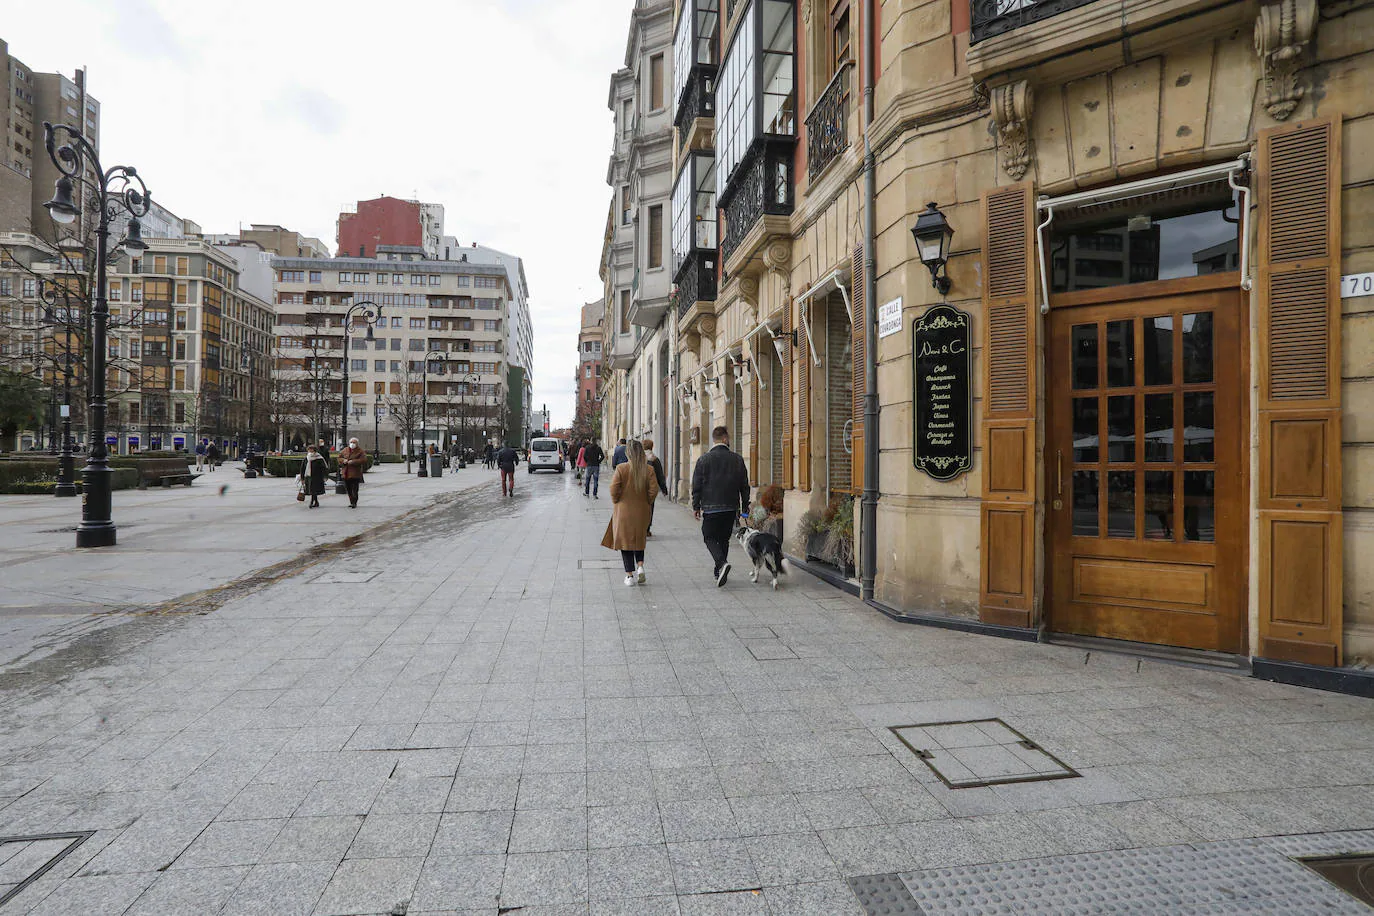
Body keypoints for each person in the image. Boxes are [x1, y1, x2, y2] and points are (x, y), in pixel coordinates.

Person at [691, 425, 751, 587]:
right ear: (724, 438)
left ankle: (721, 563)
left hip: (711, 508)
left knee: (709, 536)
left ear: (714, 439)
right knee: (724, 538)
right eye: (728, 438)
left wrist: (696, 506)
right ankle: (719, 570)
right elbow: (744, 485)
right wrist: (745, 506)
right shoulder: (737, 459)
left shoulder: (703, 460)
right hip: (731, 507)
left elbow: (696, 485)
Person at [602, 438, 659, 586]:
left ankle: (629, 575)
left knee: (625, 542)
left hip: (624, 510)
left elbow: (613, 488)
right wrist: (646, 501)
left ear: (628, 453)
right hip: (642, 510)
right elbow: (654, 490)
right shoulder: (649, 469)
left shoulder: (622, 468)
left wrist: (616, 501)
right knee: (639, 538)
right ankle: (640, 566)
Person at [643, 437, 667, 537]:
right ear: (652, 447)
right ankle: (647, 529)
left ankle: (639, 527)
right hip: (650, 488)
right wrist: (664, 489)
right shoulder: (654, 459)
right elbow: (660, 475)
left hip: (639, 487)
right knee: (649, 508)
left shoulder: (638, 458)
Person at [338, 437, 367, 509]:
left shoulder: (360, 451)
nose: (352, 444)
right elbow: (339, 457)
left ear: (357, 443)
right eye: (351, 442)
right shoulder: (345, 450)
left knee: (354, 488)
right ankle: (351, 501)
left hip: (355, 473)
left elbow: (363, 459)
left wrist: (353, 461)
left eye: (354, 442)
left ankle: (354, 502)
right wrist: (343, 460)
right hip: (346, 472)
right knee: (348, 489)